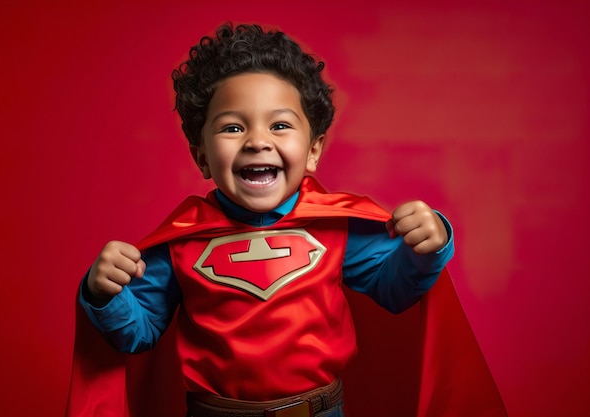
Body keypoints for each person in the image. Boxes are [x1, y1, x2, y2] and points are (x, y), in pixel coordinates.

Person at [69, 23, 504, 417]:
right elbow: (136, 335)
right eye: (233, 128)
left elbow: (396, 290)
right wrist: (104, 292)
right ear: (201, 156)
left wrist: (426, 243)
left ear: (313, 150)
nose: (258, 141)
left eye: (279, 126)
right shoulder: (181, 242)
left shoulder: (336, 226)